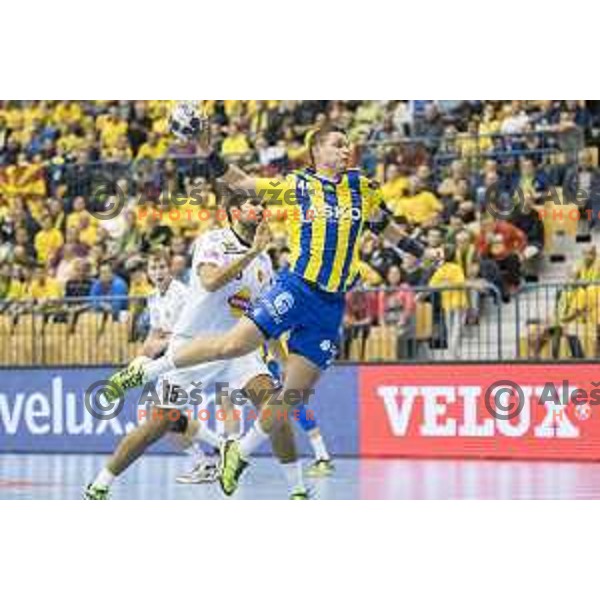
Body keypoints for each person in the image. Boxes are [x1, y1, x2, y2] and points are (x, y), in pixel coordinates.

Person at [106, 121, 400, 497]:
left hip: (303, 318)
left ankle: (269, 470)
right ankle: (143, 387)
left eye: (349, 145)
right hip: (208, 337)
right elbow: (238, 197)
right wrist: (206, 149)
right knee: (172, 412)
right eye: (338, 144)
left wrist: (420, 250)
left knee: (288, 399)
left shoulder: (347, 198)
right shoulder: (231, 230)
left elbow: (383, 226)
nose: (347, 151)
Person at [88, 193, 307, 499]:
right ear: (233, 212)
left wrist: (283, 361)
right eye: (253, 204)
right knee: (159, 423)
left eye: (263, 205)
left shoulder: (264, 261)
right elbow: (209, 281)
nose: (261, 209)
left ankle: (297, 490)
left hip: (238, 349)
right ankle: (100, 484)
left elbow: (265, 316)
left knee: (275, 410)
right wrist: (250, 253)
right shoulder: (213, 241)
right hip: (195, 345)